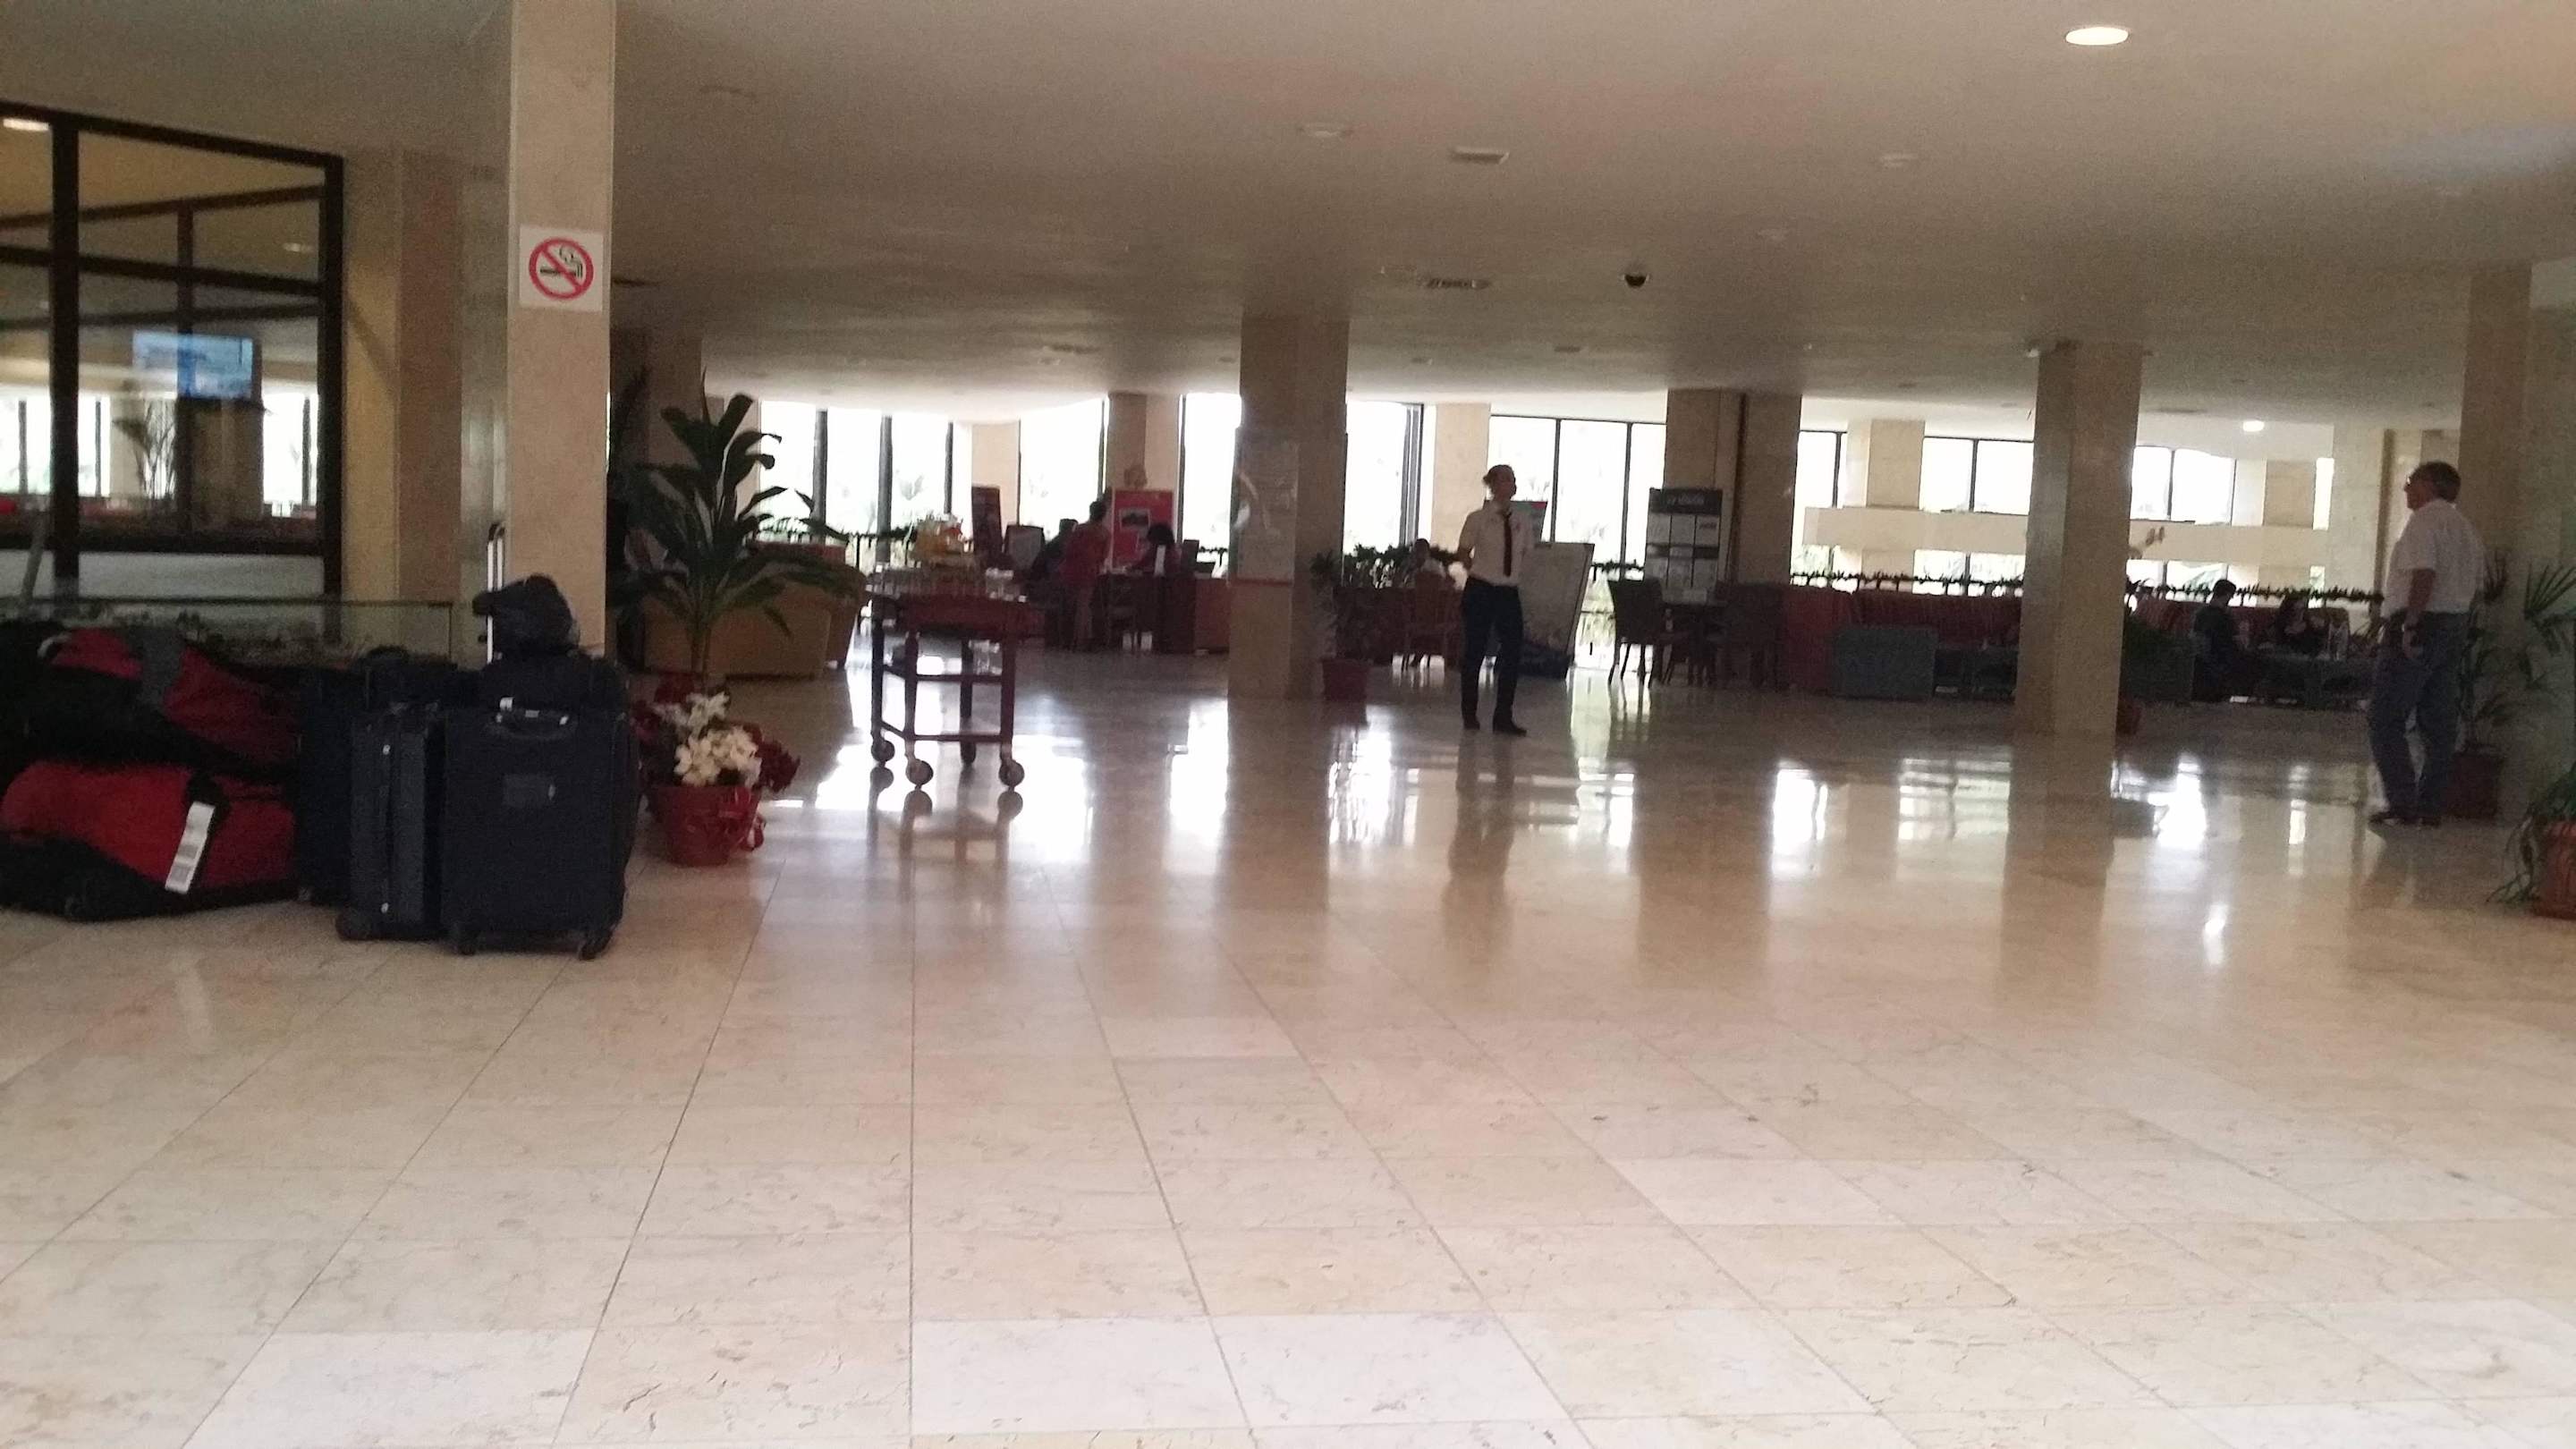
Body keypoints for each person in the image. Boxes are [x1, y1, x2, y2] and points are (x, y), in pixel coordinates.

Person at [2369, 460, 2484, 827]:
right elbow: (2475, 587)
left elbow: (2424, 573)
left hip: (2422, 621)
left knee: (2385, 716)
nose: (2406, 488)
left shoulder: (2425, 521)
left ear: (2429, 484)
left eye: (2411, 481)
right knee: (2438, 721)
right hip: (2454, 624)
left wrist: (2411, 624)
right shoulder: (2465, 528)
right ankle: (2430, 805)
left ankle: (2402, 802)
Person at [1453, 464, 1536, 735]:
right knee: (1475, 650)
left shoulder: (1522, 520)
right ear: (1493, 484)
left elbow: (1526, 552)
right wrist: (1476, 570)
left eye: (1513, 479)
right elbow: (1463, 551)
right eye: (1507, 479)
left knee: (1513, 651)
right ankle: (1470, 713)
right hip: (1481, 588)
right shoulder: (1478, 518)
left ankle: (1503, 716)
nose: (1512, 484)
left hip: (1508, 591)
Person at [2192, 579, 2256, 700]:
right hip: (2222, 657)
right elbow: (2237, 641)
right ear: (2227, 595)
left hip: (2202, 656)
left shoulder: (2200, 613)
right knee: (2253, 660)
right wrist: (2244, 633)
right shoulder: (2224, 617)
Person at [1060, 498, 1112, 648]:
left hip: (1070, 570)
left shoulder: (1079, 529)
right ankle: (1080, 641)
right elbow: (1103, 556)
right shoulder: (1105, 534)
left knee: (1072, 605)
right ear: (1104, 514)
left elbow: (1068, 550)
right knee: (1083, 606)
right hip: (1089, 572)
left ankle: (1070, 638)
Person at [2270, 591, 2327, 657]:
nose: (2299, 613)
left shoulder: (2311, 626)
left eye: (2302, 609)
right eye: (2295, 610)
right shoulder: (2280, 626)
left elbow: (2318, 649)